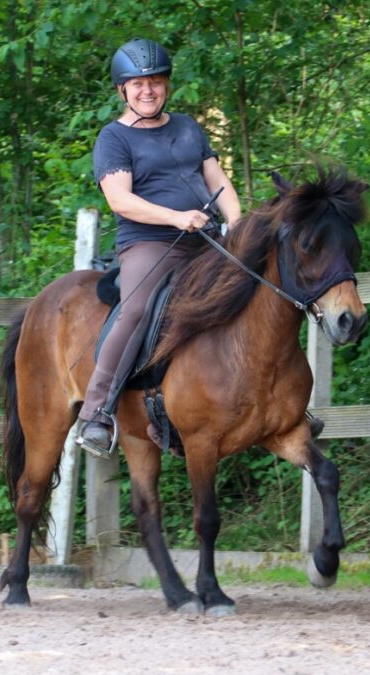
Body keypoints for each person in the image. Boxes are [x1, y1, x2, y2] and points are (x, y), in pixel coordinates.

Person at [74, 38, 242, 457]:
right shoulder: (113, 138)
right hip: (150, 243)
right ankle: (96, 414)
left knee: (256, 289)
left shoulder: (187, 126)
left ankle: (273, 399)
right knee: (136, 309)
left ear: (166, 85)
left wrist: (237, 223)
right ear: (122, 90)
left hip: (206, 239)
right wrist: (176, 218)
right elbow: (120, 200)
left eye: (155, 82)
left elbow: (217, 181)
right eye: (137, 84)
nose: (147, 90)